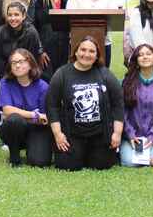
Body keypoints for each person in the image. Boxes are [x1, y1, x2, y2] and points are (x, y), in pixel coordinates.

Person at [46, 36, 124, 171]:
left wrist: (116, 133)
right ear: (75, 52)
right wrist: (58, 134)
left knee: (101, 165)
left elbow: (118, 104)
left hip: (100, 133)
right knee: (68, 166)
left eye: (91, 51)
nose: (86, 54)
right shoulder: (62, 74)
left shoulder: (105, 74)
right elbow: (52, 105)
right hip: (72, 133)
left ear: (97, 55)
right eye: (83, 50)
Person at [0, 48, 52, 167]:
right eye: (14, 63)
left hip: (37, 129)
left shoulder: (43, 86)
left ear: (30, 64)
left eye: (21, 62)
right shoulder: (6, 83)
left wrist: (33, 117)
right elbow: (7, 110)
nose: (17, 65)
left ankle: (33, 148)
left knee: (40, 162)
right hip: (14, 127)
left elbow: (45, 119)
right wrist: (34, 115)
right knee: (14, 120)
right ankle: (14, 157)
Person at [119, 44, 153, 168]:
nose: (144, 57)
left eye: (148, 54)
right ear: (136, 61)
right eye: (140, 55)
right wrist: (130, 135)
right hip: (132, 137)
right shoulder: (126, 83)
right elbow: (122, 112)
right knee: (130, 163)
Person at [66, 0, 123, 66]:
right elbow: (69, 19)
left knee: (102, 78)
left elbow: (114, 19)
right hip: (78, 45)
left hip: (103, 44)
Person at [28, 0, 70, 80]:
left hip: (65, 48)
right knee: (47, 83)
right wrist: (39, 50)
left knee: (63, 81)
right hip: (45, 49)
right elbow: (30, 24)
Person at [0, 1, 44, 79]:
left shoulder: (31, 33)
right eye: (10, 15)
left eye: (16, 15)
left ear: (23, 16)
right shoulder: (1, 32)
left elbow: (33, 59)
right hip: (7, 75)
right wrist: (5, 77)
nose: (13, 18)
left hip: (27, 76)